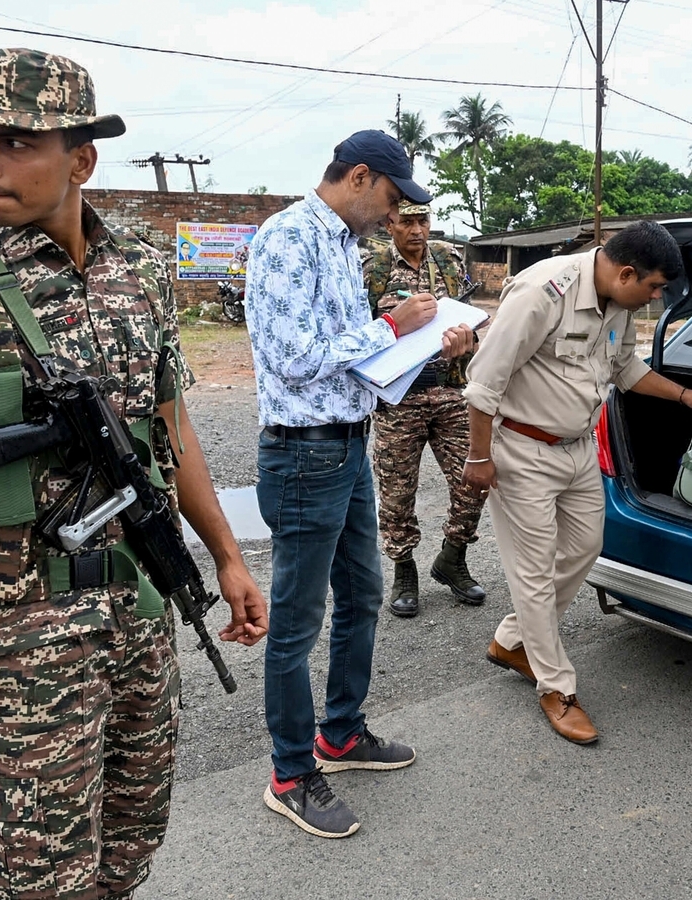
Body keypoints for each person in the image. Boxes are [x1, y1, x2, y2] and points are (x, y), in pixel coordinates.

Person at [0, 48, 269, 899]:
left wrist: (225, 555)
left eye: (16, 141)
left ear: (82, 160)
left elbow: (169, 426)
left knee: (128, 849)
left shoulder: (139, 271)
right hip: (23, 644)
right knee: (39, 880)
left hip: (141, 615)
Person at [246, 130, 470, 838]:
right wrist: (387, 325)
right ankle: (290, 773)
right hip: (302, 456)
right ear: (362, 178)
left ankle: (339, 736)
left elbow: (355, 361)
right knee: (296, 623)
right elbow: (293, 359)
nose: (397, 214)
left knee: (364, 596)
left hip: (347, 445)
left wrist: (429, 343)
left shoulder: (343, 245)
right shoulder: (288, 239)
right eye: (394, 199)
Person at [462, 221, 692, 745]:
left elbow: (625, 367)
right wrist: (479, 456)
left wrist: (684, 396)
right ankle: (556, 686)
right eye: (653, 287)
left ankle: (512, 640)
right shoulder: (543, 291)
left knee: (586, 548)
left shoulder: (619, 304)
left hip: (578, 449)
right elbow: (483, 384)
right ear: (626, 271)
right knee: (534, 572)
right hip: (522, 451)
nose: (656, 297)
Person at [363, 199, 486, 618]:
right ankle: (404, 570)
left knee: (475, 478)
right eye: (408, 222)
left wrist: (469, 340)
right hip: (400, 397)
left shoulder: (448, 260)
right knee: (397, 493)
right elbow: (360, 333)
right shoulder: (373, 268)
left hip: (451, 391)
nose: (417, 230)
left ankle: (452, 557)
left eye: (424, 221)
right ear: (390, 223)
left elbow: (471, 316)